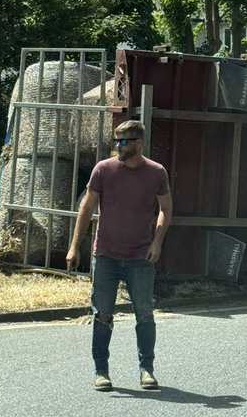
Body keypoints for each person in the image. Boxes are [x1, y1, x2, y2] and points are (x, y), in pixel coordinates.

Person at [66, 119, 173, 391]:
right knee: (102, 314)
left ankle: (146, 370)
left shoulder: (156, 172)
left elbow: (165, 209)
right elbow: (87, 208)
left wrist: (157, 242)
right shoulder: (104, 170)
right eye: (116, 140)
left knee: (145, 315)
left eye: (123, 141)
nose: (118, 146)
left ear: (138, 143)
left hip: (140, 256)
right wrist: (74, 246)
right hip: (106, 255)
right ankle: (101, 371)